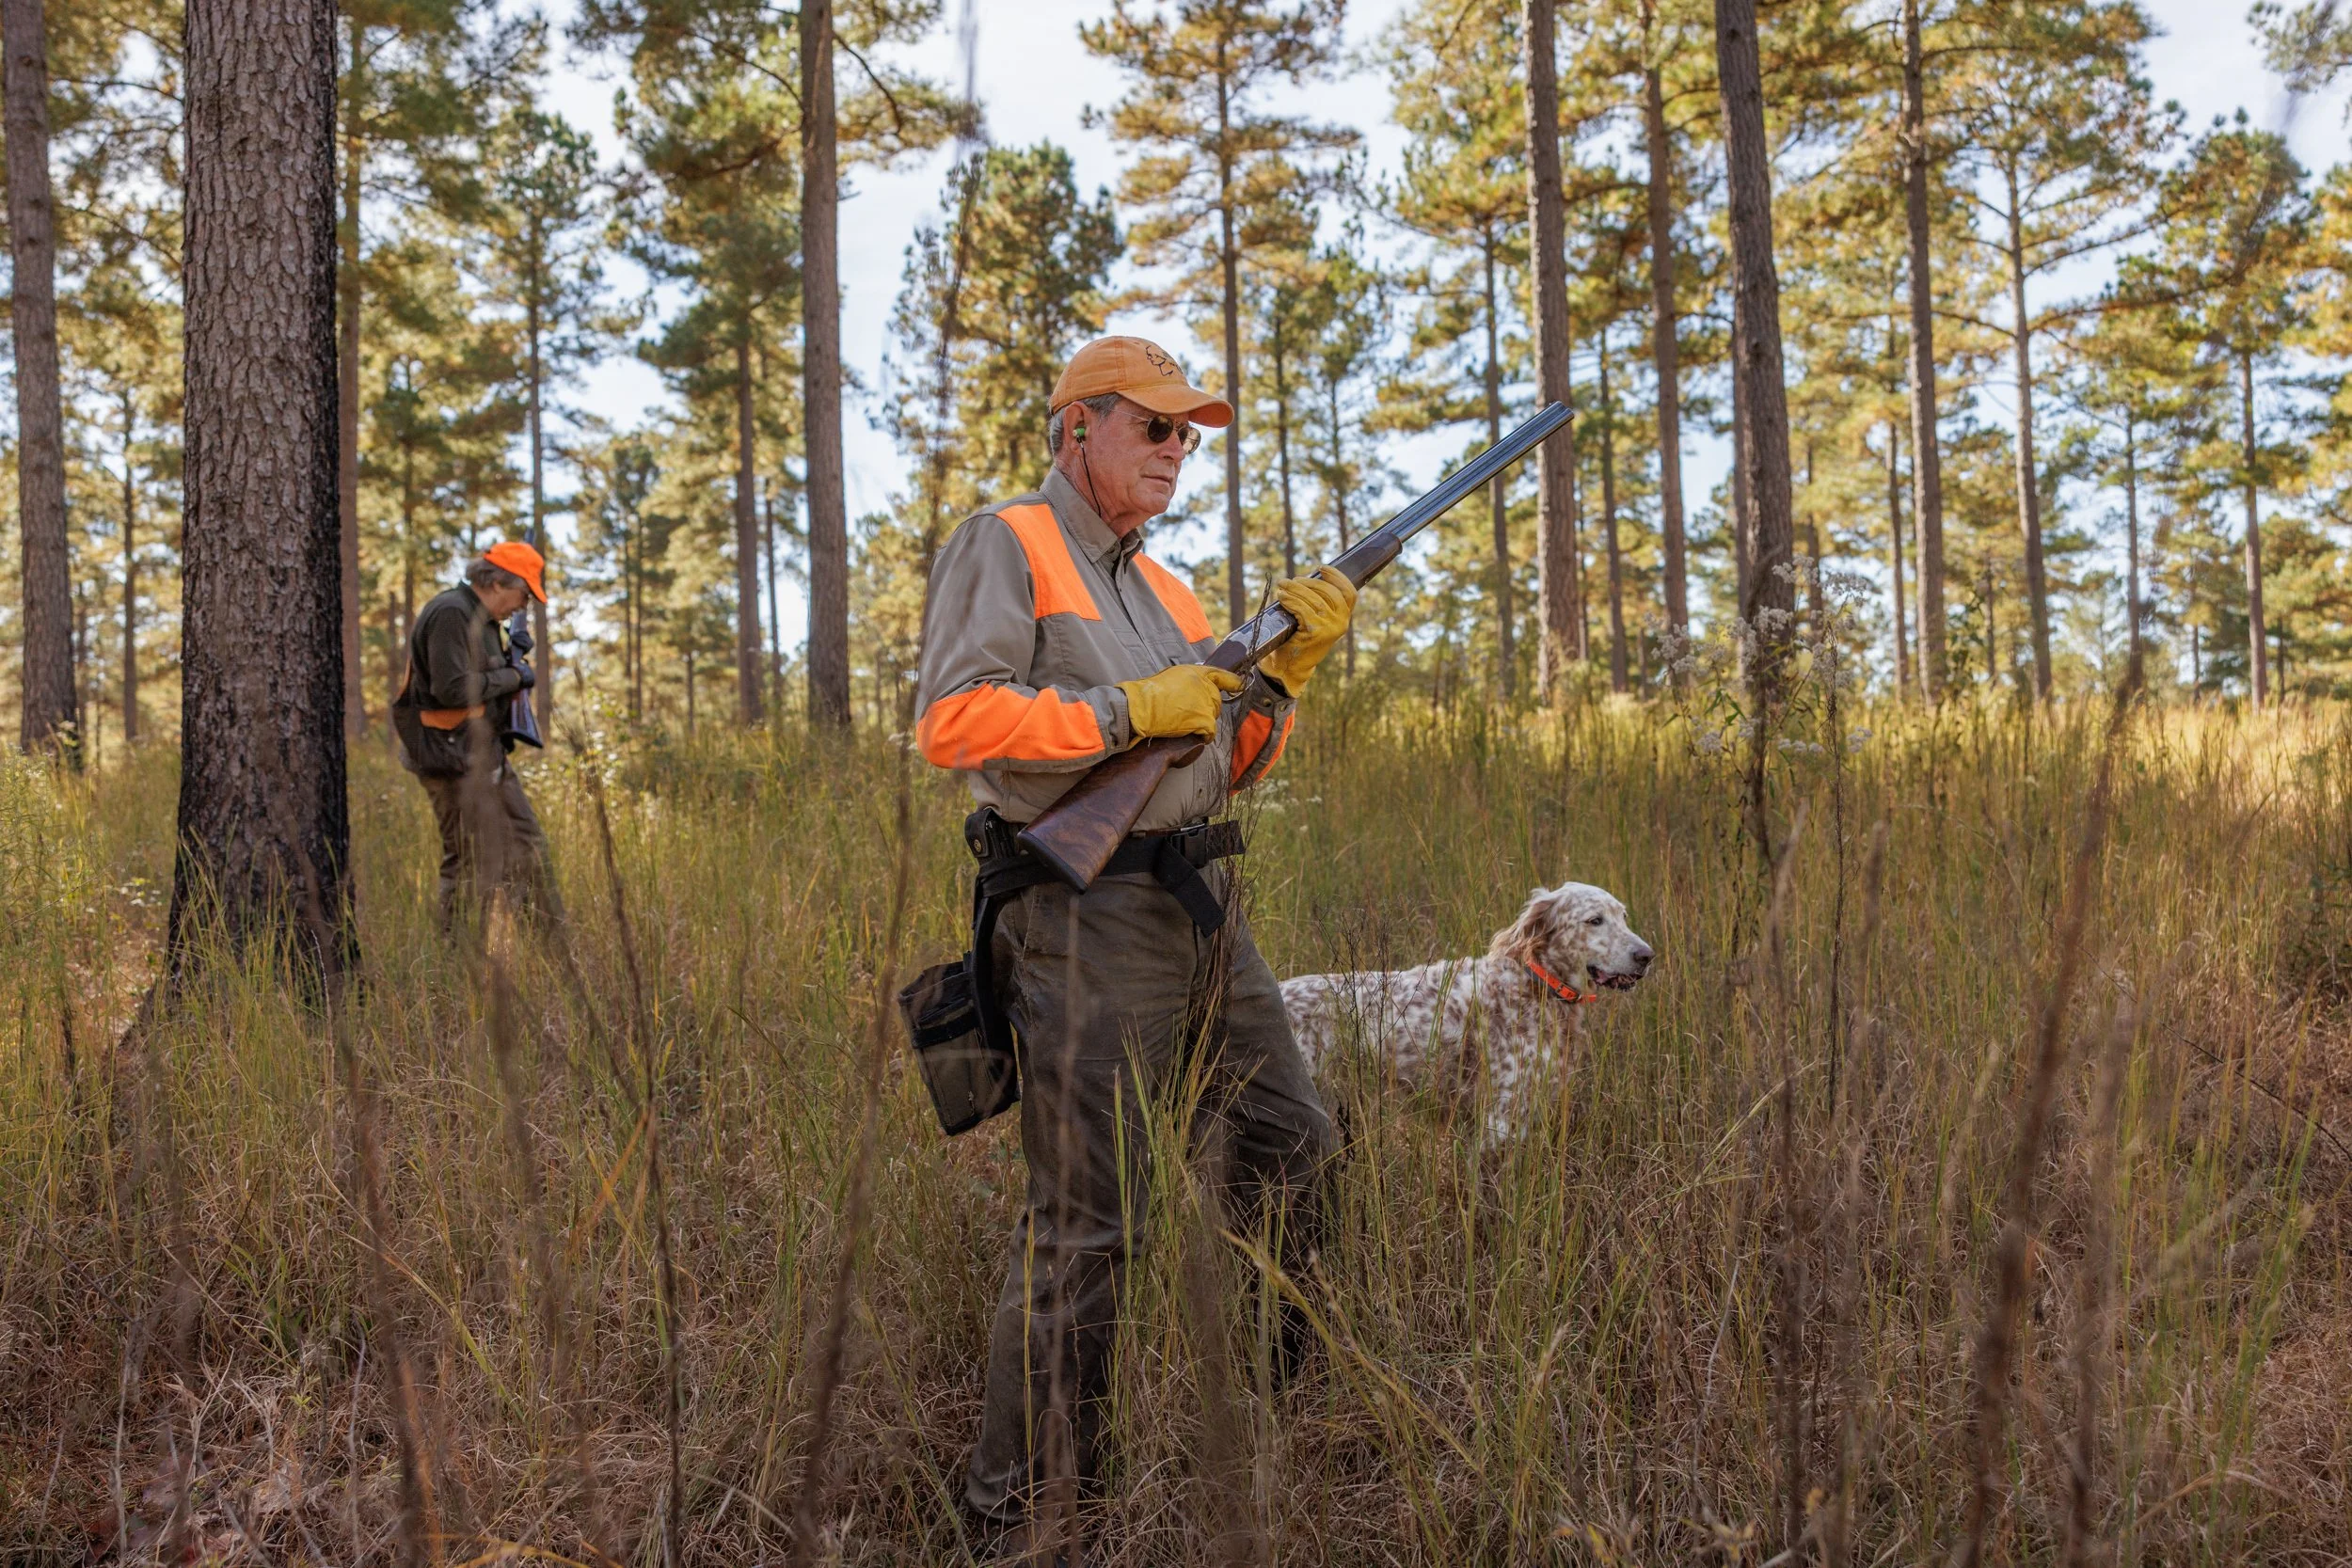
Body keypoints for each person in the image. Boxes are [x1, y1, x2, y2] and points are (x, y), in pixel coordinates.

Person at [914, 336, 1359, 1560]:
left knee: (1297, 1140)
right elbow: (956, 718)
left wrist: (1279, 683)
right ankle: (1029, 1512)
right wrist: (1120, 708)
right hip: (1082, 916)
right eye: (1156, 428)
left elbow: (1215, 767)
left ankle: (1267, 1405)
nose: (1180, 450)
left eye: (1190, 434)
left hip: (1198, 899)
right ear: (1079, 428)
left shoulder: (1171, 594)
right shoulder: (1006, 539)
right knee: (1092, 1222)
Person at [392, 542, 561, 928]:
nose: (524, 605)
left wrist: (508, 660)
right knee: (470, 860)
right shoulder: (453, 612)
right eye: (524, 594)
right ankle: (459, 964)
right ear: (500, 582)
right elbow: (452, 688)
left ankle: (552, 948)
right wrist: (513, 675)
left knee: (526, 846)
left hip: (483, 754)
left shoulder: (482, 620)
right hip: (450, 758)